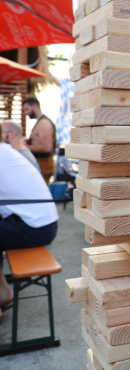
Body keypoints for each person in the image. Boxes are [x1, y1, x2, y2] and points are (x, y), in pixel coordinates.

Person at [0, 136, 58, 318]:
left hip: (36, 226)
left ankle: (3, 293)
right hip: (40, 221)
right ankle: (3, 291)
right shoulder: (6, 151)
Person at [22, 97, 57, 185]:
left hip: (43, 165)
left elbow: (46, 147)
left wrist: (26, 147)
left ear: (35, 107)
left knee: (41, 197)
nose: (25, 113)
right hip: (41, 164)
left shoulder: (43, 123)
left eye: (26, 109)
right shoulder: (40, 122)